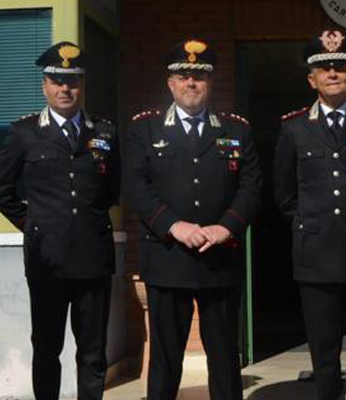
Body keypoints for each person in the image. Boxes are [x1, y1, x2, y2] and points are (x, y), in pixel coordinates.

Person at [123, 38, 262, 400]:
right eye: (183, 76)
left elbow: (251, 187)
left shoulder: (236, 129)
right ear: (170, 83)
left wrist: (226, 226)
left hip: (220, 258)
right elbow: (136, 186)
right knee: (166, 358)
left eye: (199, 76)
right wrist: (174, 225)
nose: (191, 83)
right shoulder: (145, 129)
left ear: (210, 83)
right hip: (167, 257)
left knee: (224, 356)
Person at [0, 41, 120, 400]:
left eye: (72, 81)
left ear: (82, 85)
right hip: (47, 259)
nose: (65, 89)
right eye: (57, 81)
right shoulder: (25, 132)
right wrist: (34, 224)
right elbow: (0, 190)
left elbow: (112, 190)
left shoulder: (104, 132)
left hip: (93, 258)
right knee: (47, 348)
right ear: (45, 85)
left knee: (92, 350)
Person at [273, 29, 346, 400]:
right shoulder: (293, 128)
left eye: (340, 67)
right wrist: (310, 226)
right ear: (311, 80)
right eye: (324, 68)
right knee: (323, 353)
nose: (332, 74)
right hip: (316, 255)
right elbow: (284, 195)